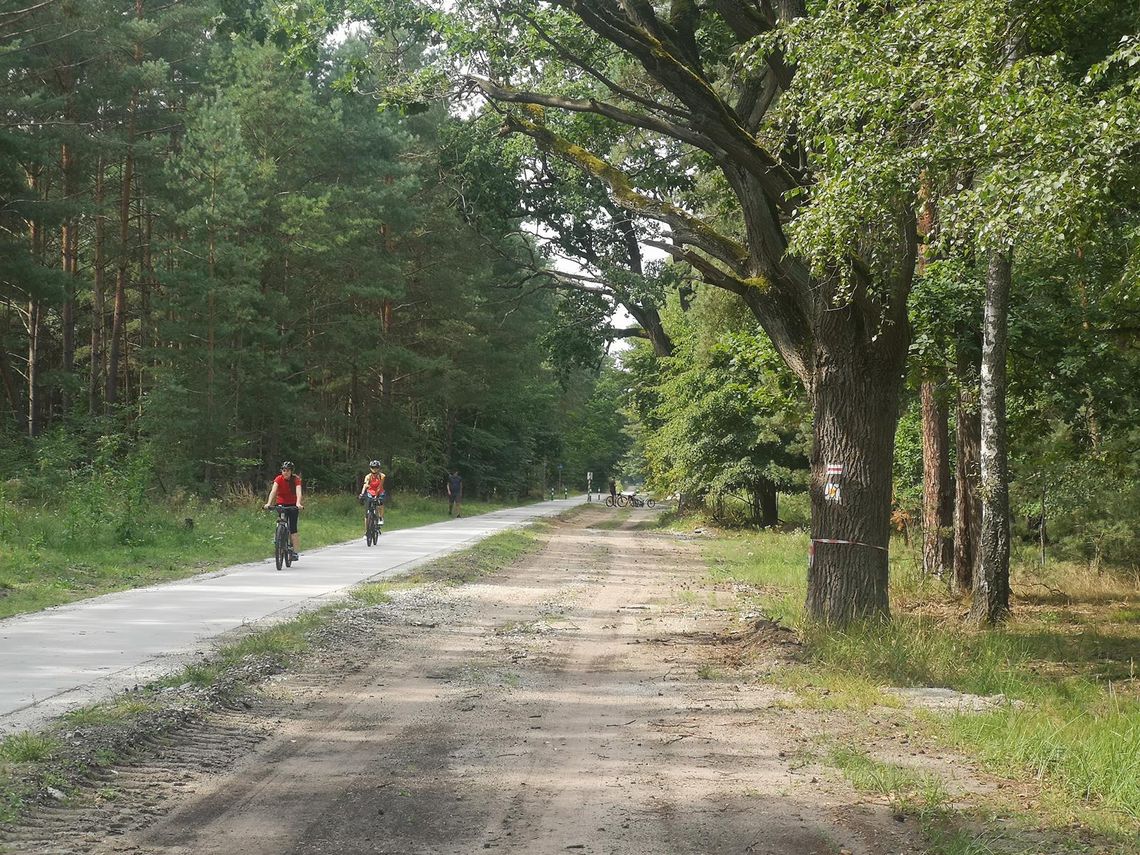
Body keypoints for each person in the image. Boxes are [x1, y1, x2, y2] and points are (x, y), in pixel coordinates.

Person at [264, 461, 303, 560]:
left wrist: (298, 503)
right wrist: (269, 503)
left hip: (293, 505)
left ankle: (294, 551)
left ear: (291, 471)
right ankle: (279, 541)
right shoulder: (278, 479)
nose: (285, 472)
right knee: (281, 522)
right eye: (283, 470)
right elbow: (273, 491)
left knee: (293, 528)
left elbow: (298, 492)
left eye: (288, 470)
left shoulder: (296, 479)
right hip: (281, 504)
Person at [359, 460, 386, 530]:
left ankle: (380, 518)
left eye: (376, 467)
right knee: (367, 514)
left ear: (379, 468)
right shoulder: (368, 476)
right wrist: (362, 493)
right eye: (373, 467)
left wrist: (376, 496)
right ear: (370, 468)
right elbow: (365, 485)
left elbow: (379, 487)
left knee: (380, 503)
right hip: (370, 492)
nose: (375, 469)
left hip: (379, 492)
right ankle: (366, 532)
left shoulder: (382, 476)